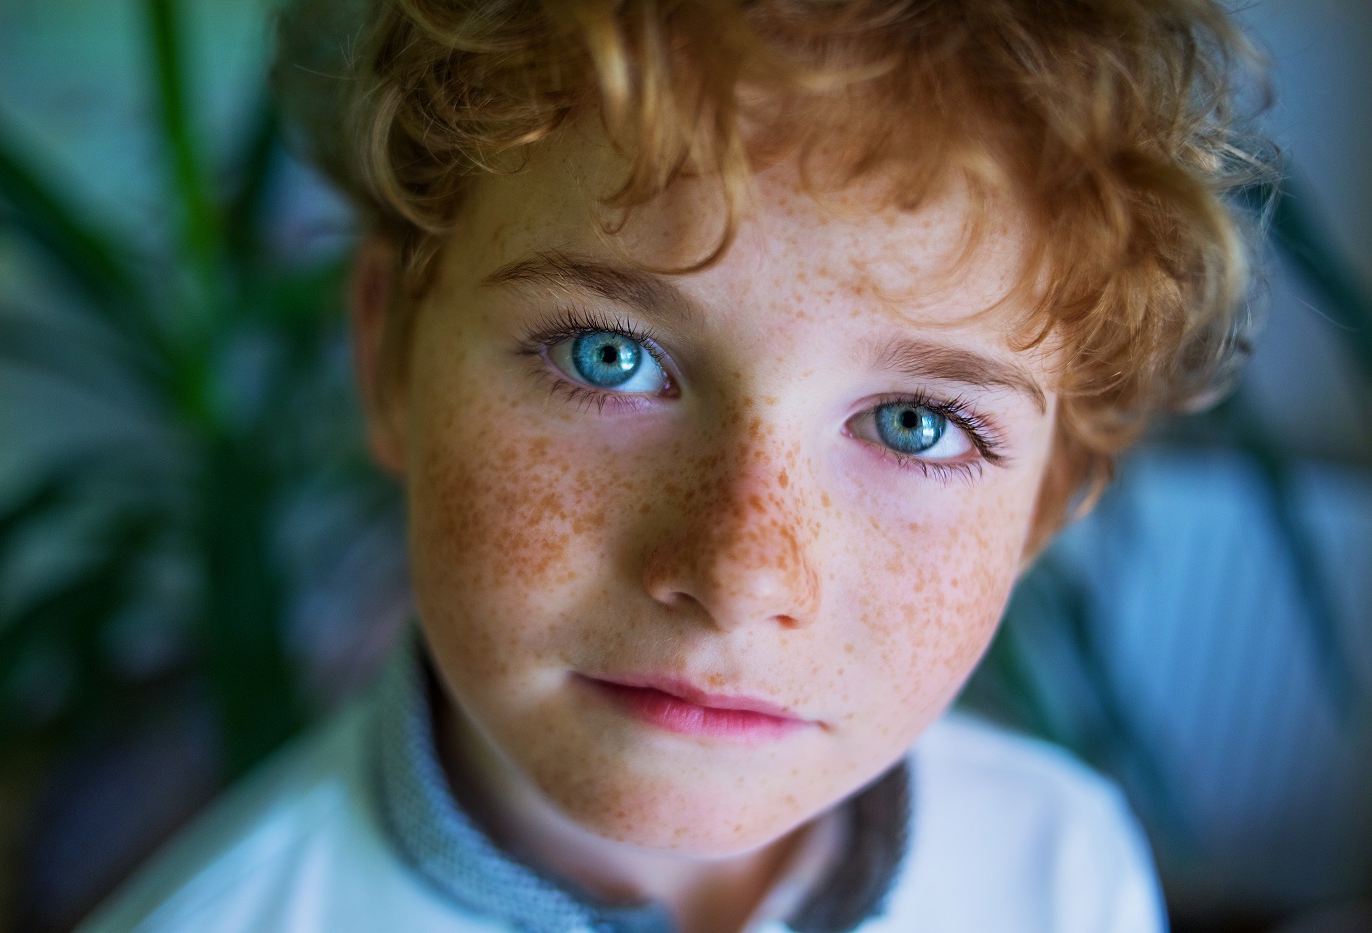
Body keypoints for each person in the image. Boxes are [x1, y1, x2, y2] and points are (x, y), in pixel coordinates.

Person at [79, 1, 1272, 930]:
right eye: (609, 358)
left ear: (1049, 500)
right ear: (390, 348)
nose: (741, 572)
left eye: (915, 423)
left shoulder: (1062, 868)